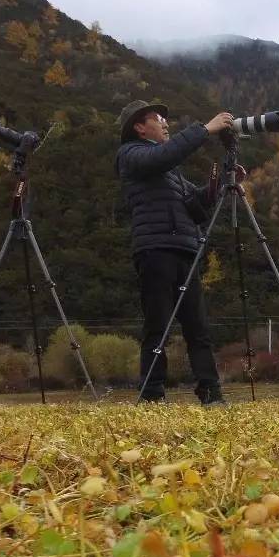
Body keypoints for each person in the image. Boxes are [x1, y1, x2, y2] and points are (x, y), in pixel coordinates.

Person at [115, 100, 234, 406]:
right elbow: (164, 156)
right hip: (155, 250)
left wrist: (220, 185)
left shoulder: (172, 172)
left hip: (184, 248)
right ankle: (152, 393)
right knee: (158, 325)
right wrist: (205, 130)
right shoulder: (131, 154)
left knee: (198, 327)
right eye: (158, 119)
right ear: (139, 127)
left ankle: (211, 392)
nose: (166, 123)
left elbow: (195, 207)